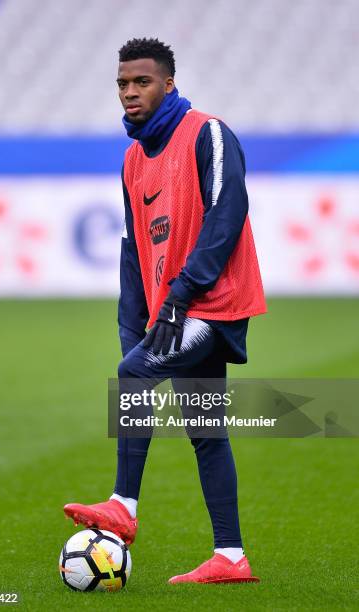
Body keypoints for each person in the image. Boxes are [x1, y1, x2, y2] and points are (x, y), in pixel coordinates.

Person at [64, 37, 266, 584]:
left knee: (134, 374)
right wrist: (133, 325)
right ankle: (230, 557)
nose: (130, 93)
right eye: (123, 84)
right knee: (205, 431)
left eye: (142, 82)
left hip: (212, 305)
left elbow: (228, 211)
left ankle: (123, 506)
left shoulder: (209, 133)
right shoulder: (132, 159)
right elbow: (135, 250)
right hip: (172, 311)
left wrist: (182, 291)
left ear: (168, 83)